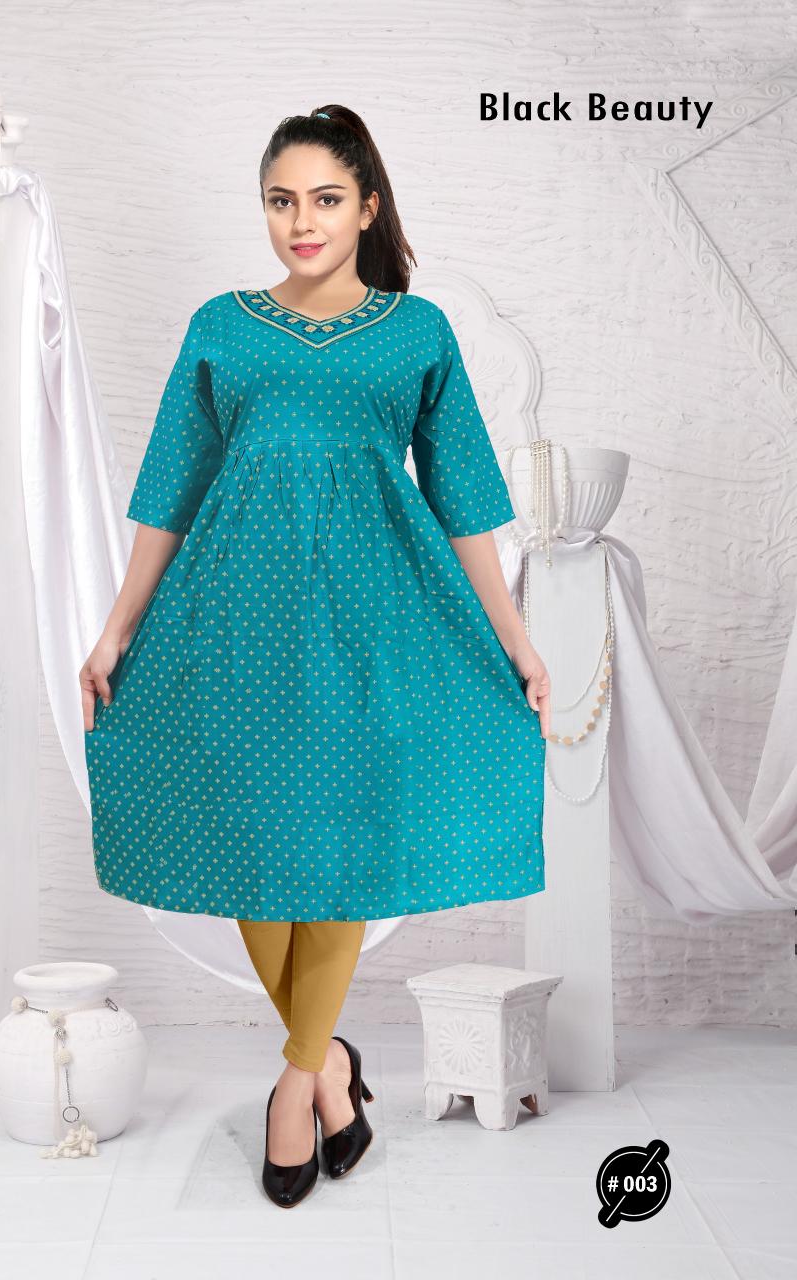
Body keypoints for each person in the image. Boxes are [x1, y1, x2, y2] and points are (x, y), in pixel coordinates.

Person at [81, 104, 552, 1208]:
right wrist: (117, 624)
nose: (303, 220)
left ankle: (299, 1085)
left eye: (326, 199)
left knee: (336, 844)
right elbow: (170, 484)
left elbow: (465, 497)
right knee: (255, 836)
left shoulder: (416, 330)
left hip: (374, 619)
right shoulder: (222, 324)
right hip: (231, 613)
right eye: (282, 200)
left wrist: (515, 639)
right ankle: (332, 1060)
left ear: (368, 207)